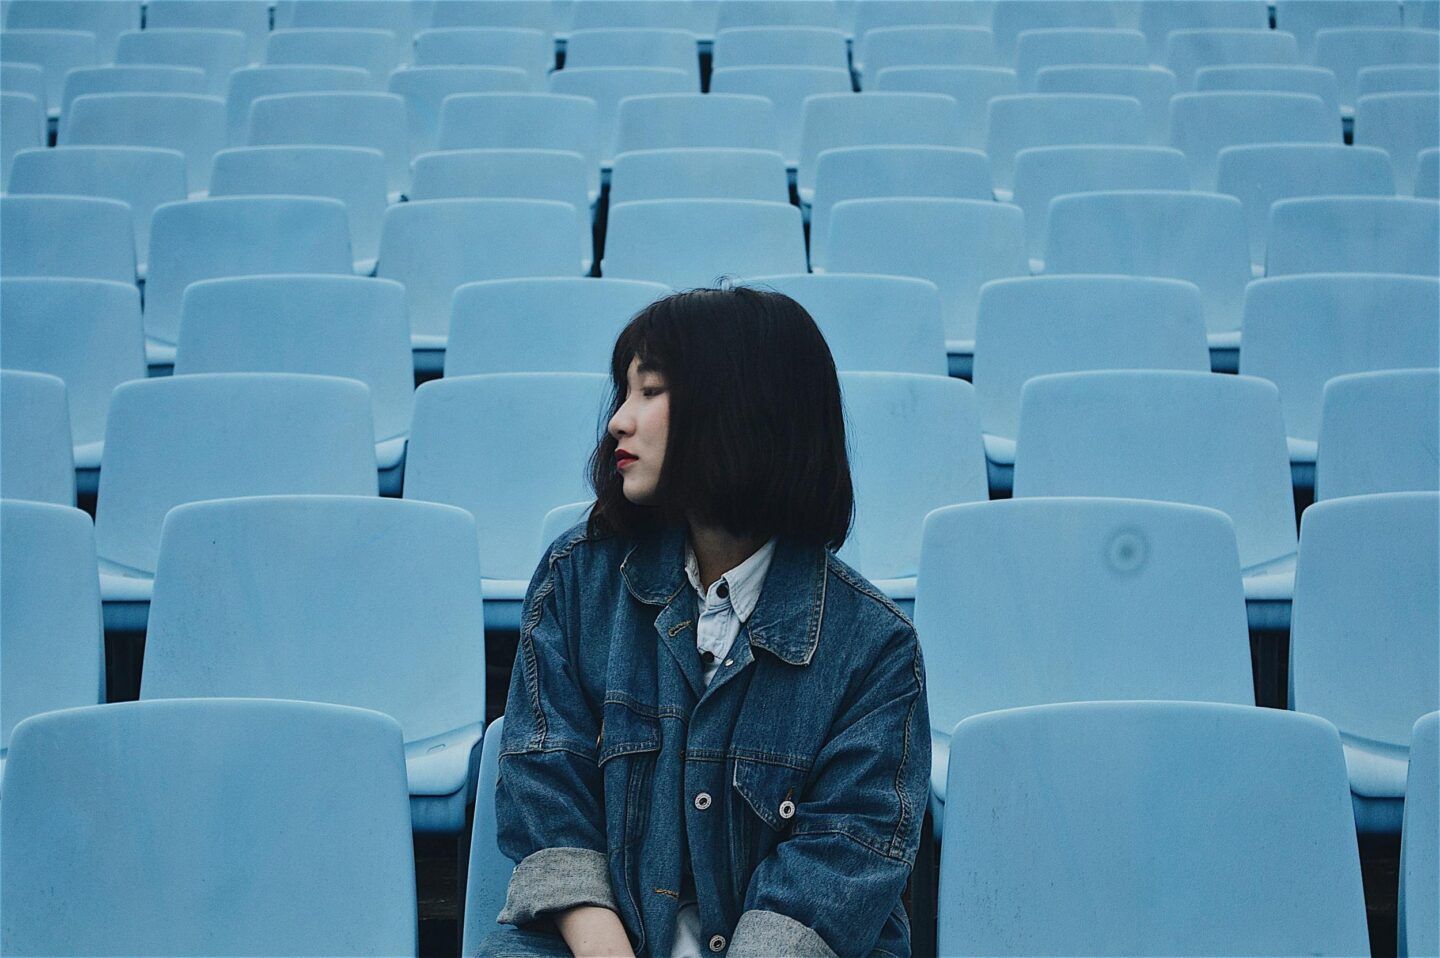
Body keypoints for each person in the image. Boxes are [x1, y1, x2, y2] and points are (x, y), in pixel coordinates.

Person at [477, 286, 930, 958]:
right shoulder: (577, 578)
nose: (617, 423)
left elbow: (842, 861)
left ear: (741, 412)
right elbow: (547, 785)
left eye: (649, 391)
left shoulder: (875, 648)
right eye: (621, 394)